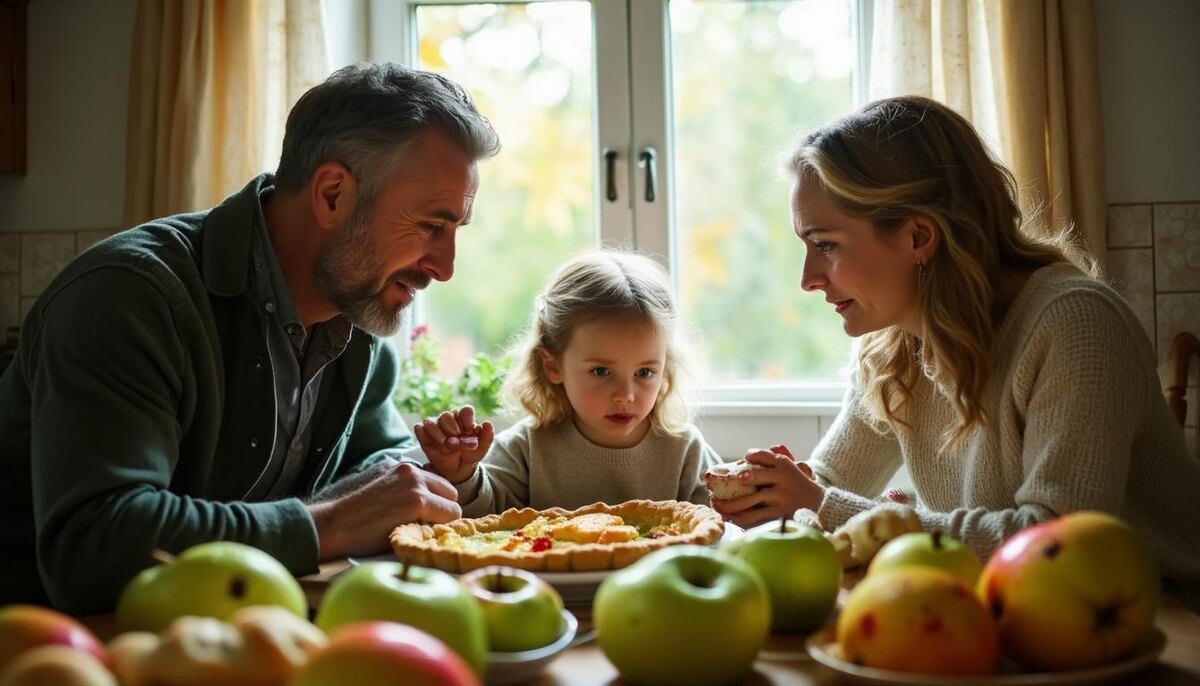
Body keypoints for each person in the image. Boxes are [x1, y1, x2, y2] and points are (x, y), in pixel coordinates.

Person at [0, 63, 501, 614]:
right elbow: (94, 549)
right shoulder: (127, 298)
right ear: (333, 194)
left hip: (236, 634)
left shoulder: (357, 320)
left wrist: (428, 475)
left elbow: (373, 463)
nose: (445, 266)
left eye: (456, 230)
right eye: (432, 226)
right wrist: (328, 524)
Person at [713, 95, 1200, 604]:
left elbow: (1053, 543)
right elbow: (830, 482)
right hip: (1010, 614)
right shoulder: (893, 345)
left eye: (826, 244)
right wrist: (772, 488)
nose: (808, 279)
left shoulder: (1077, 324)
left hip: (1162, 619)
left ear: (919, 235)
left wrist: (823, 504)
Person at [411, 249, 722, 516]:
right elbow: (483, 522)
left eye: (644, 373)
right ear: (553, 366)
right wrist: (462, 475)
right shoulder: (527, 449)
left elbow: (718, 531)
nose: (625, 395)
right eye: (601, 372)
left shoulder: (685, 451)